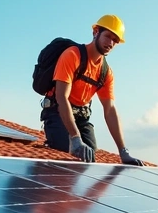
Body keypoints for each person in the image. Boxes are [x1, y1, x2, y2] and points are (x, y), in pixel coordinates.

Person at [40, 15, 144, 165]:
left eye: (115, 40)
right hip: (57, 112)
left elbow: (110, 110)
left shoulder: (105, 72)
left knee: (90, 154)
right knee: (69, 150)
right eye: (108, 36)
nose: (110, 43)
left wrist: (123, 152)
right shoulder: (72, 56)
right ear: (96, 32)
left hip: (81, 118)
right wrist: (75, 139)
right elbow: (61, 97)